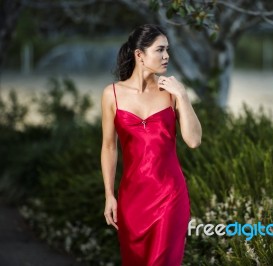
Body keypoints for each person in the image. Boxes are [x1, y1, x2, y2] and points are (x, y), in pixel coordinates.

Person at [100, 24, 202, 266]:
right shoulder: (111, 94)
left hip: (170, 196)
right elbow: (109, 147)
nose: (167, 56)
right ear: (139, 55)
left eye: (168, 50)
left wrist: (183, 96)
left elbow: (194, 140)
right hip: (131, 200)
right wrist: (109, 195)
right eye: (160, 50)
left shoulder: (171, 92)